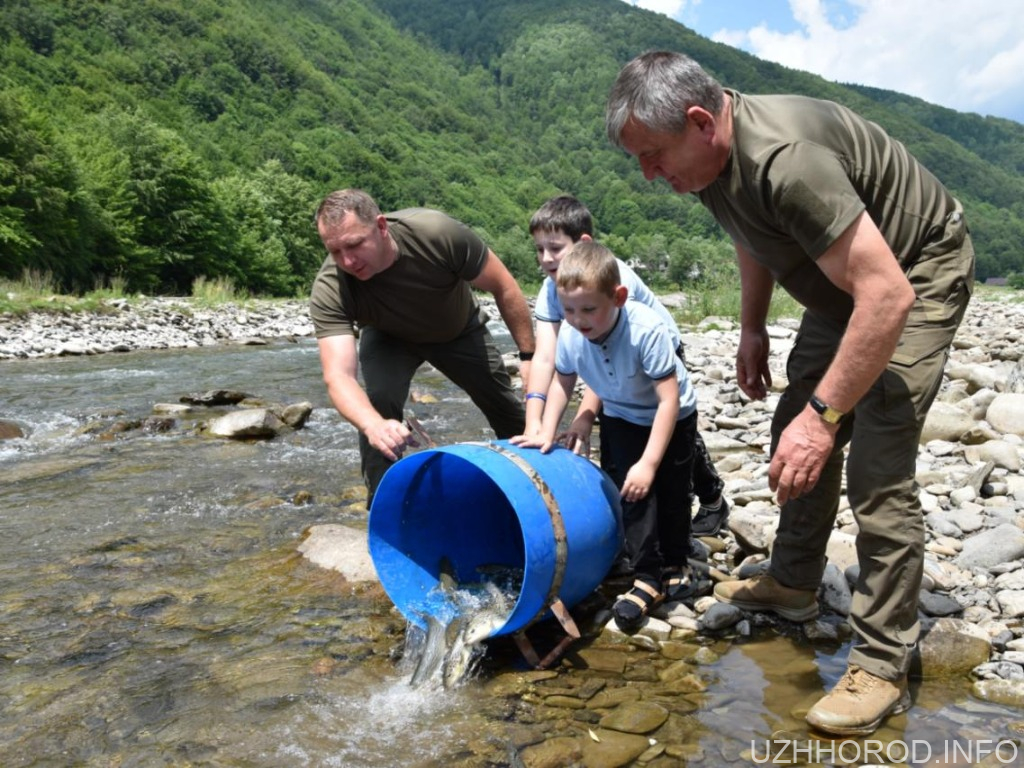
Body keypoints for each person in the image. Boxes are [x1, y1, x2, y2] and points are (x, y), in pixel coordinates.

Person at [606, 51, 975, 736]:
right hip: (845, 285)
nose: (649, 175)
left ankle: (882, 662)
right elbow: (756, 236)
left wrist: (827, 417)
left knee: (876, 471)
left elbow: (887, 294)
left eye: (653, 155)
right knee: (792, 424)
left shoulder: (786, 158)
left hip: (913, 273)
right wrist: (751, 328)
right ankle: (796, 582)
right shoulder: (710, 163)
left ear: (699, 122)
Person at [512, 241, 699, 633]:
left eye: (588, 309)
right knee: (629, 492)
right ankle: (647, 577)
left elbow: (668, 401)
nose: (578, 320)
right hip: (620, 413)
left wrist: (649, 463)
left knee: (671, 489)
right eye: (568, 310)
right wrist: (545, 430)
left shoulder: (646, 329)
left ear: (618, 297)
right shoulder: (572, 335)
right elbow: (563, 381)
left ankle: (676, 561)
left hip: (671, 416)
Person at [310, 189, 536, 504]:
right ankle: (384, 505)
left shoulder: (435, 234)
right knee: (377, 404)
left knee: (503, 404)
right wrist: (373, 425)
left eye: (355, 244)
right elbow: (338, 377)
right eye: (335, 251)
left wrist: (529, 356)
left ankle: (536, 482)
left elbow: (504, 285)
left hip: (457, 330)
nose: (347, 260)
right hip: (388, 337)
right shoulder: (332, 286)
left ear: (381, 226)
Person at [524, 194, 729, 537]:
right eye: (540, 249)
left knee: (671, 430)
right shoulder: (553, 290)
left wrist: (585, 416)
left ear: (583, 243)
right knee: (621, 443)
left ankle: (708, 498)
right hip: (601, 354)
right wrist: (537, 426)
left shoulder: (610, 282)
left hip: (652, 350)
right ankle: (625, 530)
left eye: (556, 248)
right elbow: (548, 357)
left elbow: (610, 363)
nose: (546, 258)